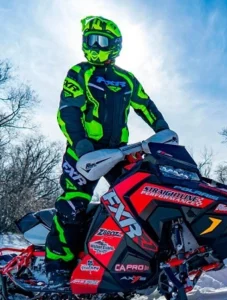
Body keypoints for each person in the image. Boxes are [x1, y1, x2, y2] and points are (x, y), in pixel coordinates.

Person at [45, 16, 170, 287]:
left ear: (115, 45)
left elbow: (146, 106)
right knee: (72, 205)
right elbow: (67, 112)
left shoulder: (127, 79)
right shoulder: (80, 72)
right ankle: (56, 267)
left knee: (141, 200)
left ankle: (145, 260)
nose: (93, 45)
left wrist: (163, 131)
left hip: (117, 153)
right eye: (89, 39)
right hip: (83, 153)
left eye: (100, 40)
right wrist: (80, 144)